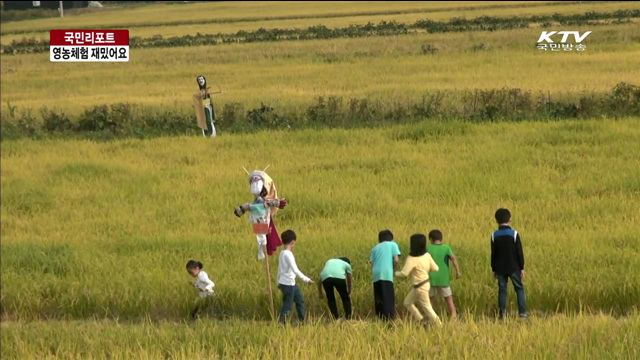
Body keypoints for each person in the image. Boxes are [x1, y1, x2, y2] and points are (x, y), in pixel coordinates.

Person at [395, 234, 442, 327]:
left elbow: (404, 273)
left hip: (420, 287)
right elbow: (436, 268)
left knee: (427, 308)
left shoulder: (411, 258)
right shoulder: (427, 255)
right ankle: (420, 320)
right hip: (424, 284)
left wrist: (395, 273)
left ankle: (439, 325)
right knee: (407, 302)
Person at [491, 208, 527, 320]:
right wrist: (521, 267)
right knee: (519, 288)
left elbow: (494, 254)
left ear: (496, 220)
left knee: (502, 290)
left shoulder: (494, 235)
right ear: (510, 219)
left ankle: (502, 314)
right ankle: (522, 313)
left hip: (500, 268)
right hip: (514, 267)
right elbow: (519, 252)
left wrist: (494, 269)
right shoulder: (514, 234)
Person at [277, 229, 314, 324]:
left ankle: (302, 320)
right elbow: (295, 270)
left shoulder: (282, 253)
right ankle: (281, 323)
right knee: (288, 305)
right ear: (293, 242)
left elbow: (280, 270)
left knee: (299, 299)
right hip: (287, 283)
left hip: (290, 283)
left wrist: (278, 281)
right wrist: (307, 279)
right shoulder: (288, 255)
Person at [427, 229, 461, 319]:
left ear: (430, 239)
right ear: (441, 238)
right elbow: (453, 258)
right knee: (448, 298)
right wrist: (458, 271)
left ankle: (430, 317)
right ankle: (454, 316)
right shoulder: (446, 248)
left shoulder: (429, 248)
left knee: (430, 299)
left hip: (430, 278)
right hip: (443, 278)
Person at [370, 229, 401, 321]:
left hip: (376, 274)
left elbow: (372, 264)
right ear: (391, 238)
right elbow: (396, 260)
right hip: (386, 273)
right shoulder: (393, 245)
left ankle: (380, 317)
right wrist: (394, 269)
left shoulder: (375, 248)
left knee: (379, 296)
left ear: (379, 239)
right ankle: (389, 317)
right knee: (388, 296)